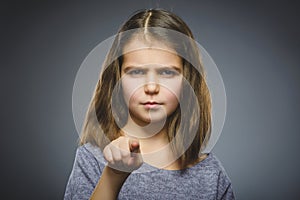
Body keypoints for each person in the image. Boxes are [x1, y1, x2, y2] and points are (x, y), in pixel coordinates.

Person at [64, 9, 235, 200]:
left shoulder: (211, 174)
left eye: (167, 72)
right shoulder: (92, 160)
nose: (151, 87)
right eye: (136, 72)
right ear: (117, 79)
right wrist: (113, 176)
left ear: (188, 80)